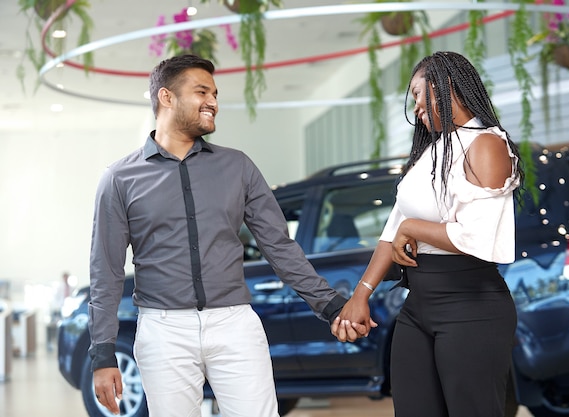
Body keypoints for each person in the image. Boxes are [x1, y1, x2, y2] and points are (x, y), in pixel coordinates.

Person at [88, 54, 370, 417]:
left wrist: (331, 306)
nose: (214, 103)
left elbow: (279, 247)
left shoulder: (237, 167)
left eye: (216, 94)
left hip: (234, 323)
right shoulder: (119, 179)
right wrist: (103, 353)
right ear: (166, 97)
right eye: (202, 91)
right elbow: (106, 271)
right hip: (163, 330)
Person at [332, 51, 524, 417]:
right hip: (418, 305)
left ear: (447, 88)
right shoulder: (430, 154)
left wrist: (414, 228)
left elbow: (477, 240)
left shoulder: (486, 144)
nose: (416, 106)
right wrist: (361, 294)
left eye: (420, 94)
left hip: (472, 305)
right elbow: (392, 231)